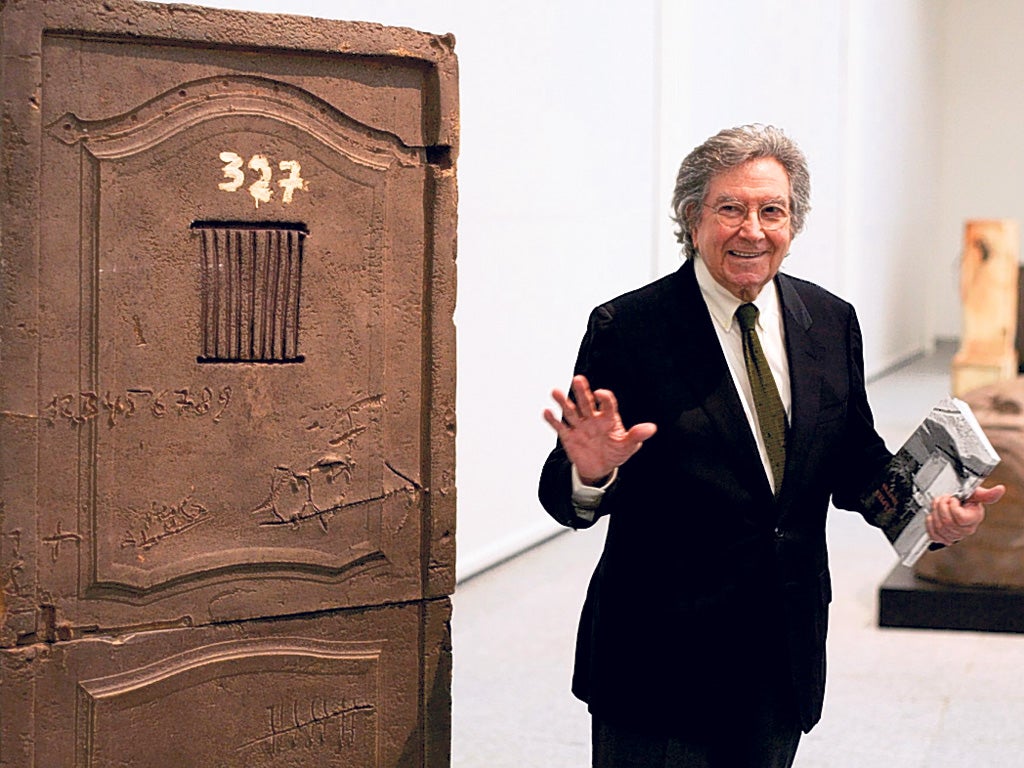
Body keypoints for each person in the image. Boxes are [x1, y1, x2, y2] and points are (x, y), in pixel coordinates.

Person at [538, 124, 1004, 768]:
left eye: (771, 210)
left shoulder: (829, 320)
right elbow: (562, 492)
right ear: (692, 219)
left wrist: (929, 513)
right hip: (660, 659)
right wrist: (589, 472)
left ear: (793, 222)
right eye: (729, 208)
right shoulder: (631, 328)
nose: (751, 230)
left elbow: (853, 463)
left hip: (779, 652)